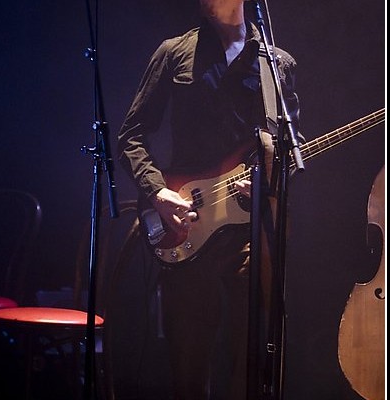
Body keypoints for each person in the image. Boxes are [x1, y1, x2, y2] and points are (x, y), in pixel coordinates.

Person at [117, 0, 302, 399]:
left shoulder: (277, 63)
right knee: (188, 363)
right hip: (189, 222)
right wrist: (158, 191)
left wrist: (270, 179)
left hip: (251, 235)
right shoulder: (173, 53)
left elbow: (291, 146)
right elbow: (131, 135)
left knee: (252, 362)